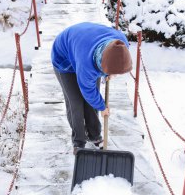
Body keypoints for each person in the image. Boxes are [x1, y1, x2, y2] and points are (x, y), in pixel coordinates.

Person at [51, 22, 132, 154]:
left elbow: (115, 61)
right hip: (64, 58)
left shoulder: (121, 45)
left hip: (85, 45)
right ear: (101, 63)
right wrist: (103, 107)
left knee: (92, 100)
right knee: (76, 101)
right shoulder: (87, 64)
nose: (116, 76)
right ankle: (79, 141)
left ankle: (94, 135)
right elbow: (88, 91)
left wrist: (109, 72)